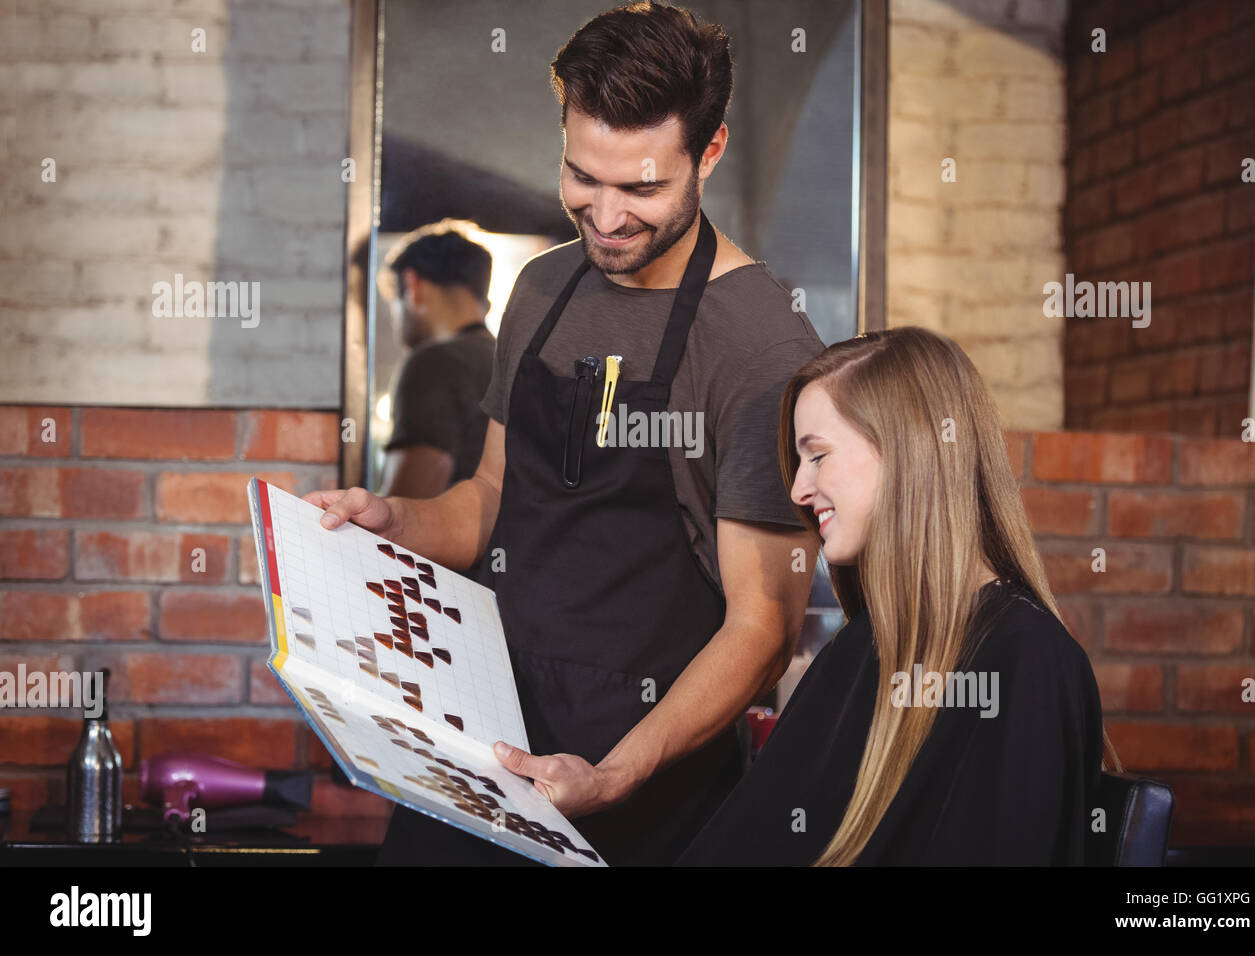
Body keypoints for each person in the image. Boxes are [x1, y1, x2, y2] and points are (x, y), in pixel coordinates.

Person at [305, 1, 824, 865]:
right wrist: (396, 522)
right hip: (486, 749)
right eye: (584, 177)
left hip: (644, 789)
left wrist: (618, 773)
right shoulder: (544, 291)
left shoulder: (762, 344)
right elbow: (492, 501)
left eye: (644, 187)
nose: (608, 216)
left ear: (711, 151)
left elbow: (762, 627)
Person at [677, 327, 1121, 866]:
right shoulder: (859, 647)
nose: (797, 489)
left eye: (816, 456)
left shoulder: (1025, 661)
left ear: (908, 450)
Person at [378, 221, 495, 500]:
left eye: (394, 300)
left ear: (412, 284)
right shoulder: (510, 362)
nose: (395, 318)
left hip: (445, 544)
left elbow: (403, 509)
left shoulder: (435, 363)